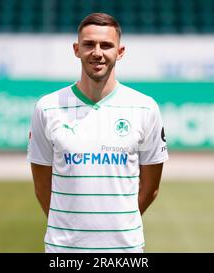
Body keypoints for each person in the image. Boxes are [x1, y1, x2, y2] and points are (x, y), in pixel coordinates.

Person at [27, 13, 168, 253]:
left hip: (124, 251)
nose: (97, 52)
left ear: (120, 52)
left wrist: (119, 225)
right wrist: (69, 230)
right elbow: (42, 186)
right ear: (76, 49)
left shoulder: (145, 108)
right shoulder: (47, 107)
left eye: (106, 45)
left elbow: (151, 187)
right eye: (89, 44)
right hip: (64, 252)